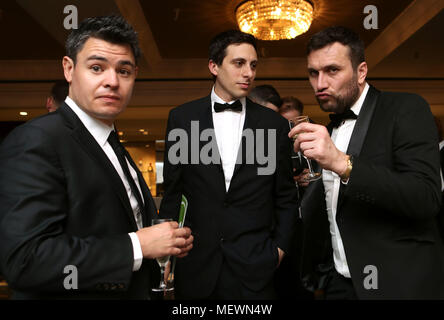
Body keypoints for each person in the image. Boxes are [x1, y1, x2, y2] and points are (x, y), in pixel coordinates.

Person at [0, 15, 193, 299]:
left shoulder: (113, 143)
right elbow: (26, 260)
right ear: (69, 69)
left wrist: (164, 241)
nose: (112, 81)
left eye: (124, 71)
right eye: (96, 68)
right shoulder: (38, 139)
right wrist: (138, 246)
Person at [290, 26, 444, 299]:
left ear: (361, 72)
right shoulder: (330, 128)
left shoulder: (405, 109)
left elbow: (425, 197)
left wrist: (341, 162)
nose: (320, 83)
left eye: (332, 70)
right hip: (340, 285)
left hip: (398, 285)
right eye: (313, 73)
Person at [160, 30, 298, 299]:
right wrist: (168, 257)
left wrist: (278, 250)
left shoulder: (274, 125)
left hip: (255, 267)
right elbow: (174, 195)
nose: (249, 73)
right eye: (239, 63)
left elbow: (285, 197)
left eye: (253, 65)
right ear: (214, 66)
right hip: (196, 265)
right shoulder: (182, 119)